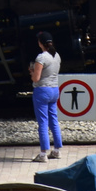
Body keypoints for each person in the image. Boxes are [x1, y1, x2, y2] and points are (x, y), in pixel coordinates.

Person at [29, 31, 63, 163]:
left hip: (42, 91)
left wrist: (32, 72)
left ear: (40, 43)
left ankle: (43, 154)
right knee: (53, 120)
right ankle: (57, 151)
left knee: (43, 122)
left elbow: (36, 79)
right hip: (55, 90)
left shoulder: (41, 57)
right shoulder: (57, 56)